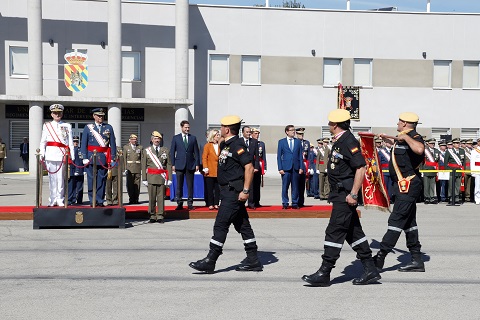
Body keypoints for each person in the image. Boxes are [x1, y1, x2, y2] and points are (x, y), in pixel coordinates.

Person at [302, 109, 380, 286]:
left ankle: (325, 271)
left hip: (345, 195)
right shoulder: (340, 141)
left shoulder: (348, 141)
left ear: (335, 125)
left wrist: (353, 194)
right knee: (353, 233)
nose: (329, 126)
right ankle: (371, 269)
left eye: (330, 123)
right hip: (339, 193)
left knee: (335, 231)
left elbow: (360, 168)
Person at [189, 115, 262, 273]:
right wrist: (222, 139)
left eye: (222, 127)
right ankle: (253, 259)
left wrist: (246, 191)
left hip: (234, 192)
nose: (220, 130)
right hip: (226, 190)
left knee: (221, 224)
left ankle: (211, 259)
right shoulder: (227, 144)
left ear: (227, 129)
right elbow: (222, 144)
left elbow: (249, 168)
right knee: (243, 225)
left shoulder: (238, 145)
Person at [372, 112, 426, 273]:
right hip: (402, 185)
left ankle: (380, 257)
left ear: (404, 123)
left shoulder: (414, 136)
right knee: (409, 224)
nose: (397, 123)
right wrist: (389, 140)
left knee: (396, 220)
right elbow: (403, 150)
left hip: (408, 185)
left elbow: (419, 149)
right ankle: (416, 259)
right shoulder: (402, 137)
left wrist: (407, 138)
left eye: (399, 121)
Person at [39, 104, 75, 207]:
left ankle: (60, 198)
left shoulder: (67, 126)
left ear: (62, 114)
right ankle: (52, 198)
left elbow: (70, 142)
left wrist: (72, 155)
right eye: (55, 113)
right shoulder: (47, 125)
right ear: (51, 114)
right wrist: (42, 153)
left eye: (59, 113)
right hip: (50, 154)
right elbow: (43, 141)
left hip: (62, 155)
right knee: (52, 179)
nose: (57, 115)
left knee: (61, 178)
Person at [81, 108, 116, 207]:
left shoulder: (108, 127)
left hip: (103, 157)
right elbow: (84, 143)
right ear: (94, 116)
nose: (100, 118)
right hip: (91, 157)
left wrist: (113, 157)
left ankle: (100, 200)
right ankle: (92, 200)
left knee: (102, 180)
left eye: (102, 116)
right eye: (98, 116)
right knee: (91, 179)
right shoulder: (88, 128)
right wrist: (84, 156)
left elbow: (112, 143)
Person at [142, 131, 172, 223]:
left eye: (158, 139)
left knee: (160, 198)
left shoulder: (165, 150)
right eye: (155, 138)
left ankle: (160, 215)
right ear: (152, 140)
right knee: (152, 197)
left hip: (161, 177)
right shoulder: (147, 151)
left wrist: (169, 178)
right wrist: (144, 178)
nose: (157, 140)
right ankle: (152, 215)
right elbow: (144, 165)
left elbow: (169, 165)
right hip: (151, 177)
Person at [170, 120, 200, 210]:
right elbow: (172, 152)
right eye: (186, 127)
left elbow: (196, 152)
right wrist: (173, 164)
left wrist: (197, 164)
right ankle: (179, 202)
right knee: (179, 185)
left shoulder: (193, 138)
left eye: (188, 127)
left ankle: (190, 203)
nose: (187, 129)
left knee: (190, 185)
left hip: (190, 165)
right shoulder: (176, 138)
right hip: (179, 164)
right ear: (182, 127)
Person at [277, 125, 304, 209]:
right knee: (285, 186)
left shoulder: (298, 142)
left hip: (295, 167)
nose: (293, 132)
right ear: (287, 132)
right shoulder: (282, 142)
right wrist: (280, 168)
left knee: (295, 186)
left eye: (294, 130)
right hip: (286, 168)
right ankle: (285, 202)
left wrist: (301, 167)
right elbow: (279, 156)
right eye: (291, 130)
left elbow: (300, 156)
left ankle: (295, 202)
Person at [202, 129, 220, 210]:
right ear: (213, 136)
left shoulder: (221, 145)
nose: (218, 136)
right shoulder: (207, 145)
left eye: (218, 135)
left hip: (219, 170)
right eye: (217, 135)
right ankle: (210, 203)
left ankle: (216, 203)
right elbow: (204, 157)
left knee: (217, 189)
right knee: (209, 189)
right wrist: (205, 167)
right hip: (210, 170)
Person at [444, 138, 465, 204]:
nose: (458, 144)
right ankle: (450, 197)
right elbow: (445, 162)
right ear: (453, 144)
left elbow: (463, 162)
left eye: (458, 143)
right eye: (456, 143)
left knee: (457, 185)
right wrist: (447, 170)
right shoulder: (449, 151)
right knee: (451, 185)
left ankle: (456, 197)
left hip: (459, 170)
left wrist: (463, 169)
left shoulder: (462, 151)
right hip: (451, 170)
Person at [241, 126, 259, 209]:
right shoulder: (239, 141)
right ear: (243, 132)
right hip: (241, 167)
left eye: (249, 132)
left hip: (250, 167)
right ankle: (241, 203)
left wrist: (256, 167)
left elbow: (257, 156)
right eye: (247, 132)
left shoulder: (254, 142)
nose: (248, 133)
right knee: (240, 185)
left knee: (250, 186)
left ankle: (251, 203)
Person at [123, 134, 143, 204]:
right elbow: (124, 158)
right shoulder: (126, 147)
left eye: (135, 139)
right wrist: (125, 168)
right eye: (133, 139)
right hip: (130, 168)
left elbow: (142, 158)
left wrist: (142, 168)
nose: (134, 141)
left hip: (137, 167)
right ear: (130, 140)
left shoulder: (140, 147)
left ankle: (136, 199)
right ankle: (131, 199)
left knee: (137, 184)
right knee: (130, 184)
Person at [251, 128, 266, 207]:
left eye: (258, 133)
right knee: (251, 185)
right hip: (251, 166)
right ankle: (252, 202)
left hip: (259, 166)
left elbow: (263, 156)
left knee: (257, 185)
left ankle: (257, 201)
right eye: (255, 133)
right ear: (252, 134)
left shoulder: (261, 144)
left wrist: (265, 167)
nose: (257, 135)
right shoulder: (250, 142)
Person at [422, 138, 440, 204]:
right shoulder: (425, 151)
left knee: (432, 185)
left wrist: (438, 170)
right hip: (426, 169)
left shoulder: (437, 151)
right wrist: (422, 170)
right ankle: (426, 198)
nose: (433, 144)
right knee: (426, 185)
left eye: (433, 143)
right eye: (431, 143)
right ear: (428, 143)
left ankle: (432, 197)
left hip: (433, 170)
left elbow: (437, 161)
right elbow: (422, 161)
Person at [68, 136, 84, 205]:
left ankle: (79, 200)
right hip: (72, 170)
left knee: (80, 187)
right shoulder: (70, 150)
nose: (75, 143)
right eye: (74, 142)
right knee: (71, 186)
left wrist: (83, 170)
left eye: (77, 142)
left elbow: (81, 160)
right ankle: (71, 199)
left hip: (80, 170)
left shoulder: (80, 149)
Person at [296, 128, 310, 207]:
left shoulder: (306, 143)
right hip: (297, 165)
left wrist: (309, 167)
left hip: (304, 165)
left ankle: (301, 202)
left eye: (302, 134)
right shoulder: (295, 142)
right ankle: (296, 201)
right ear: (297, 134)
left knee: (302, 185)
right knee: (295, 185)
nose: (301, 135)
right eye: (299, 134)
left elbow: (308, 156)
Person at [471, 137, 480, 205]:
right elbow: (472, 162)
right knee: (477, 185)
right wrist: (473, 171)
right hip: (477, 170)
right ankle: (477, 198)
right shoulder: (474, 151)